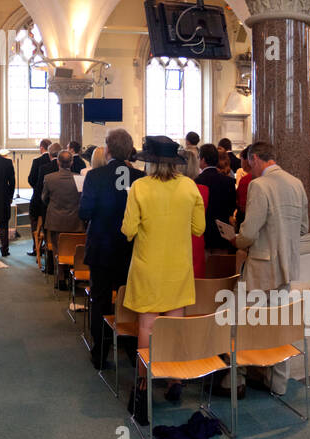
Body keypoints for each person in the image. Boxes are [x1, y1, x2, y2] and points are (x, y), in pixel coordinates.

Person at [120, 135, 205, 420]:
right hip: (178, 267)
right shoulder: (189, 186)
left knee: (148, 326)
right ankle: (175, 380)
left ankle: (143, 385)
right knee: (174, 325)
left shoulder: (139, 187)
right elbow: (198, 229)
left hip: (148, 266)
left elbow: (128, 230)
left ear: (150, 163)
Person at [230, 141, 308, 393]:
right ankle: (277, 383)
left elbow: (250, 232)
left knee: (244, 323)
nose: (248, 169)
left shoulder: (259, 185)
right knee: (278, 326)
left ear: (254, 158)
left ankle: (238, 379)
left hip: (261, 267)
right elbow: (304, 229)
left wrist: (236, 240)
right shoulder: (296, 184)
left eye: (247, 163)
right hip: (288, 265)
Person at [79, 128, 136, 370]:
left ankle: (100, 353)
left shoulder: (95, 176)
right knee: (129, 299)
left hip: (102, 246)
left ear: (108, 150)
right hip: (130, 248)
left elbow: (84, 213)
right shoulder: (140, 177)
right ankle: (132, 349)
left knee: (100, 299)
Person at [42, 148, 83, 281]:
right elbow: (82, 199)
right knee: (73, 249)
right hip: (75, 221)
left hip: (56, 220)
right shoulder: (79, 179)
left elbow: (44, 198)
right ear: (71, 163)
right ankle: (73, 275)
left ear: (58, 163)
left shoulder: (49, 178)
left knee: (57, 249)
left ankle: (59, 277)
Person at [195, 144, 237, 252]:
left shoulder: (197, 182)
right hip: (222, 233)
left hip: (204, 233)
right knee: (221, 267)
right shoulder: (229, 181)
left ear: (203, 160)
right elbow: (232, 207)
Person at [27, 139, 55, 257]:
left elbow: (31, 179)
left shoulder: (37, 161)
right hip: (52, 200)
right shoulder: (57, 162)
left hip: (38, 200)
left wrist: (37, 189)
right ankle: (48, 246)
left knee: (34, 220)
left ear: (42, 148)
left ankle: (36, 247)